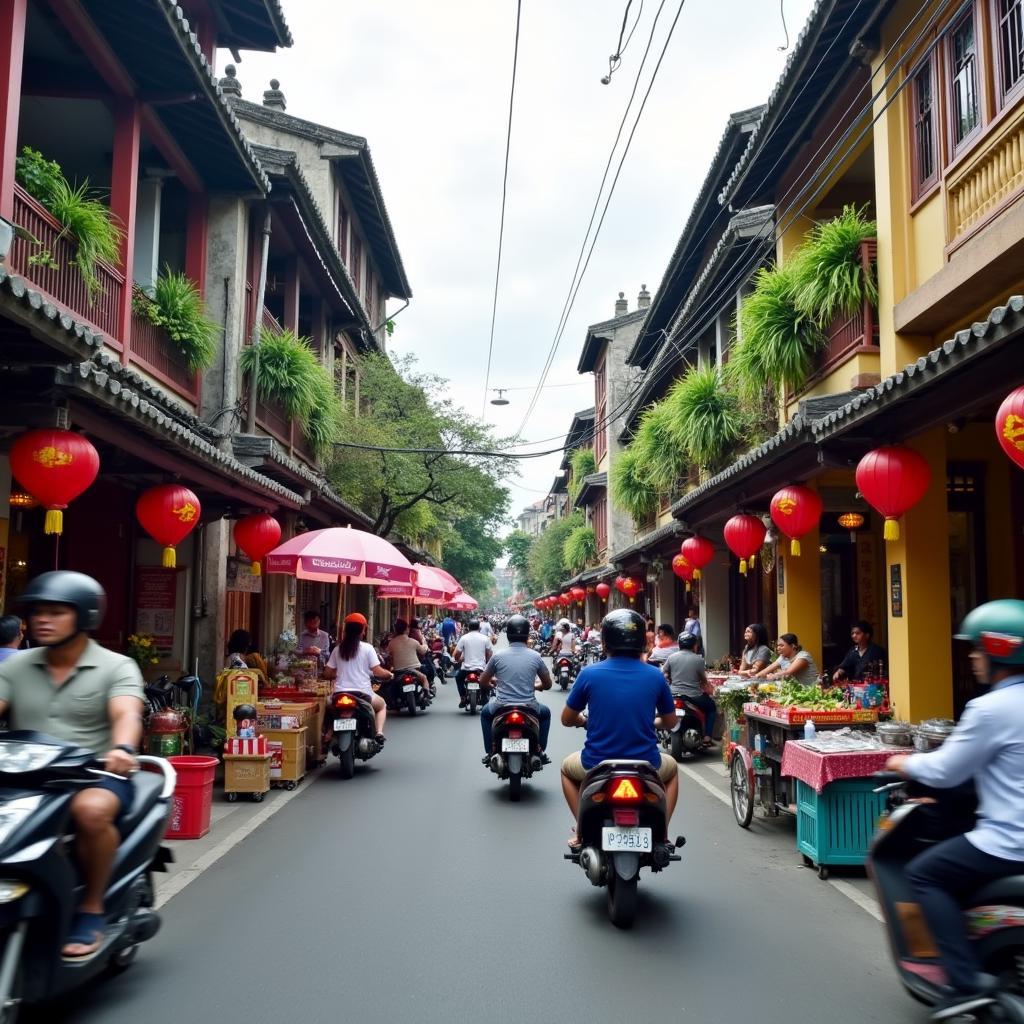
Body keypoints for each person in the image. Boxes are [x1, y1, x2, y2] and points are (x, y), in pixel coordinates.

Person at [885, 600, 1024, 1022]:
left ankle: (962, 983)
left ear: (998, 650)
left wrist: (901, 762)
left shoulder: (991, 708)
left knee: (924, 874)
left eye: (977, 649)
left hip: (1008, 840)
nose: (972, 657)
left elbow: (944, 770)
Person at [0, 571, 144, 959]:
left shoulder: (117, 666)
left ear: (84, 616)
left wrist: (123, 748)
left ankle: (91, 906)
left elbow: (126, 713)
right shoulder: (16, 665)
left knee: (91, 811)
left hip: (95, 774)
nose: (42, 620)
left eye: (56, 612)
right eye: (36, 612)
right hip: (23, 776)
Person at [560, 609, 679, 846]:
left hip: (596, 763)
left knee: (566, 770)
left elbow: (566, 718)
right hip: (646, 764)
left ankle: (582, 831)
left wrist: (584, 721)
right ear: (641, 642)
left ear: (605, 641)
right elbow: (670, 722)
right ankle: (663, 833)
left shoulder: (589, 673)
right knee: (672, 770)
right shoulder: (655, 676)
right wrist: (652, 722)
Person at [478, 615, 553, 764]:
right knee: (545, 714)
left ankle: (490, 750)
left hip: (501, 706)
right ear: (527, 635)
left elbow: (482, 681)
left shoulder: (498, 656)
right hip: (529, 706)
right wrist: (536, 686)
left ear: (507, 634)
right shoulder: (536, 656)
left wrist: (493, 684)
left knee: (485, 714)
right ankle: (539, 750)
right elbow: (548, 684)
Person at [324, 613, 391, 742]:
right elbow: (377, 672)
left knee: (327, 706)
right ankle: (379, 732)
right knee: (382, 705)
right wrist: (389, 674)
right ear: (362, 631)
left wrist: (337, 673)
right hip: (363, 694)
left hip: (339, 694)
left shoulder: (338, 650)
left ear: (346, 630)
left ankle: (328, 732)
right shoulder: (368, 648)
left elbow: (327, 673)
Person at [663, 633, 716, 745]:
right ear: (694, 646)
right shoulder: (699, 660)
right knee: (711, 708)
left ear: (679, 644)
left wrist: (671, 679)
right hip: (694, 696)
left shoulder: (672, 657)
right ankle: (707, 737)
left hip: (674, 694)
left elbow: (664, 674)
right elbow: (703, 680)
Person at [385, 619, 430, 697]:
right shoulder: (413, 641)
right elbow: (423, 651)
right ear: (406, 629)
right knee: (424, 678)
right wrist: (425, 645)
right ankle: (427, 694)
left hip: (399, 672)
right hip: (414, 669)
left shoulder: (392, 643)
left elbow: (387, 655)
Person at [454, 619, 493, 708]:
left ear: (468, 628)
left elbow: (457, 654)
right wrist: (486, 661)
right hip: (480, 668)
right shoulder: (485, 638)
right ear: (479, 628)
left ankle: (463, 697)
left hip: (466, 669)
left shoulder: (464, 638)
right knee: (487, 680)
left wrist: (458, 660)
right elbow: (489, 653)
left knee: (458, 678)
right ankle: (484, 697)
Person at [755, 633, 819, 684]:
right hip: (795, 692)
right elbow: (768, 669)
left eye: (781, 645)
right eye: (778, 645)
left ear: (793, 646)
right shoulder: (783, 657)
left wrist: (774, 676)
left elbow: (787, 673)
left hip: (811, 692)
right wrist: (756, 676)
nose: (778, 648)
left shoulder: (803, 656)